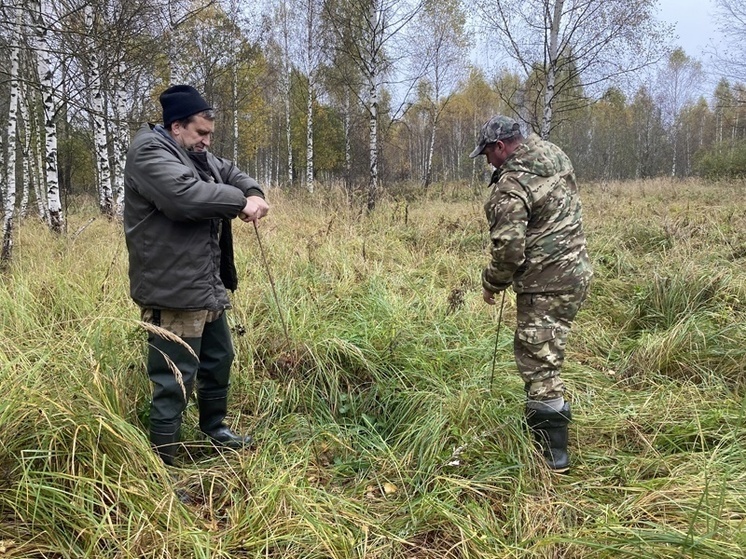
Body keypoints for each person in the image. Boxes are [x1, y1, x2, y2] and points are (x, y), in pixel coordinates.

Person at [123, 84, 270, 466]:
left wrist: (251, 190)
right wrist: (242, 202)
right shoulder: (150, 152)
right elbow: (183, 199)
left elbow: (231, 172)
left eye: (210, 134)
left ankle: (216, 430)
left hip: (205, 283)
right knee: (173, 380)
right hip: (171, 289)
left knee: (219, 359)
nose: (207, 141)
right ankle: (164, 466)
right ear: (176, 126)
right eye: (201, 133)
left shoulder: (194, 154)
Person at [469, 115, 592, 473]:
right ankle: (543, 434)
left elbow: (508, 249)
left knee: (539, 364)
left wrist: (492, 283)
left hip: (546, 283)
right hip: (576, 272)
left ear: (501, 147)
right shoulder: (554, 155)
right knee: (546, 352)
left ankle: (551, 460)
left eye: (488, 154)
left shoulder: (512, 183)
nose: (488, 162)